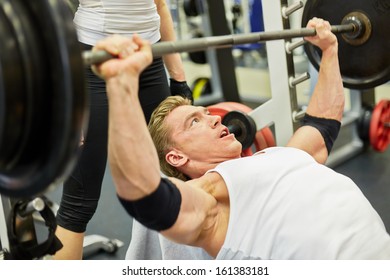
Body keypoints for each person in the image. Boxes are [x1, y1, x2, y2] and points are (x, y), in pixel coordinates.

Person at [93, 18, 390, 259]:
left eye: (206, 113)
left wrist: (330, 49)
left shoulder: (278, 156)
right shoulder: (209, 199)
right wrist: (121, 85)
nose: (214, 117)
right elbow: (146, 196)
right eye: (194, 121)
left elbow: (322, 123)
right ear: (176, 157)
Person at [54, 0, 192, 259]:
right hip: (92, 59)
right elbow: (55, 14)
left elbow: (160, 4)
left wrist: (178, 77)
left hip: (150, 59)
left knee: (175, 177)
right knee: (80, 201)